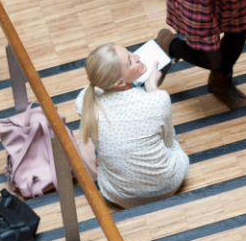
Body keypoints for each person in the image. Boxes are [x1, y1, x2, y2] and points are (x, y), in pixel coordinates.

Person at [74, 43, 188, 208]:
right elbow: (168, 142)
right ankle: (142, 87)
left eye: (130, 53)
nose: (138, 57)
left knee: (92, 144)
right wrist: (153, 90)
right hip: (169, 184)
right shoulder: (159, 99)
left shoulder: (83, 103)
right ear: (119, 83)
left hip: (120, 196)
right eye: (130, 61)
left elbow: (90, 89)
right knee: (164, 129)